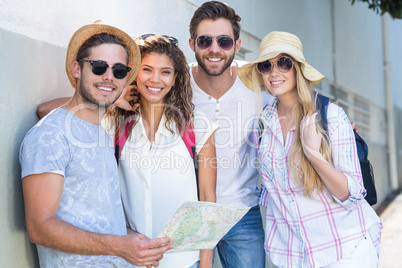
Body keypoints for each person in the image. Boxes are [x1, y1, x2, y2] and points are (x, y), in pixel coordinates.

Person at [19, 21, 172, 267]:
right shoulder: (50, 135)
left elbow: (98, 220)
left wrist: (137, 243)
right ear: (76, 69)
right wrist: (120, 246)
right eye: (99, 67)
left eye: (119, 71)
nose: (109, 77)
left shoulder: (101, 133)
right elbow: (40, 227)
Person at [238, 31, 382, 267]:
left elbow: (353, 194)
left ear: (298, 69)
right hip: (293, 256)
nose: (274, 72)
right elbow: (274, 192)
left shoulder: (331, 117)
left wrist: (313, 156)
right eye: (266, 65)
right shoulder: (263, 126)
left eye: (284, 63)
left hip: (343, 251)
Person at [104, 35, 218, 268]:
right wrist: (111, 99)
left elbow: (208, 200)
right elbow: (46, 112)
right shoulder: (116, 123)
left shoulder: (197, 125)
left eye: (165, 72)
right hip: (132, 259)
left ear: (175, 78)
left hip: (185, 260)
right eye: (147, 69)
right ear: (134, 73)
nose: (155, 79)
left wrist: (206, 265)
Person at [188, 1, 272, 267]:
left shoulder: (257, 81)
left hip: (242, 213)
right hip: (190, 212)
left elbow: (300, 99)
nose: (214, 49)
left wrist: (333, 121)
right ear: (192, 44)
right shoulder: (176, 83)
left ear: (236, 45)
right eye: (205, 41)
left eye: (224, 41)